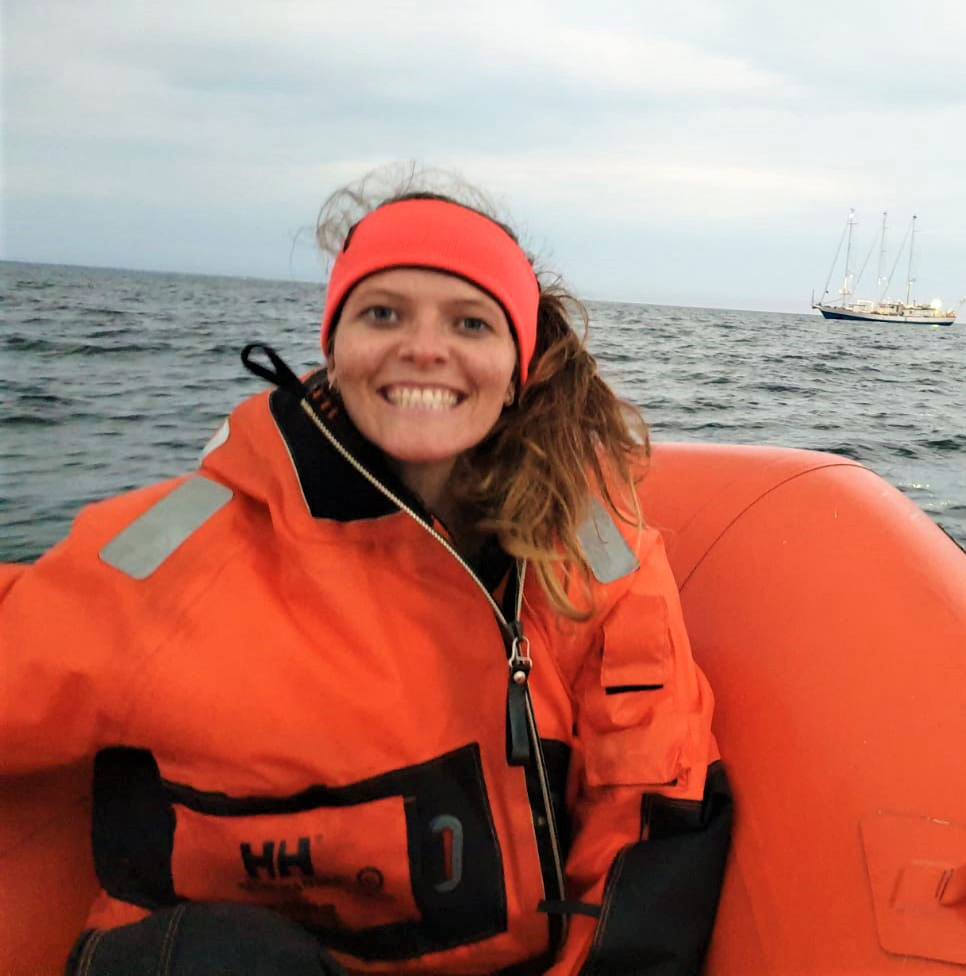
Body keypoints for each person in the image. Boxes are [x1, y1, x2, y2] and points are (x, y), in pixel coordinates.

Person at [0, 171, 732, 975]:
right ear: (333, 345)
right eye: (382, 313)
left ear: (517, 366)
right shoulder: (176, 555)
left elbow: (649, 816)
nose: (424, 348)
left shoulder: (596, 562)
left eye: (471, 322)